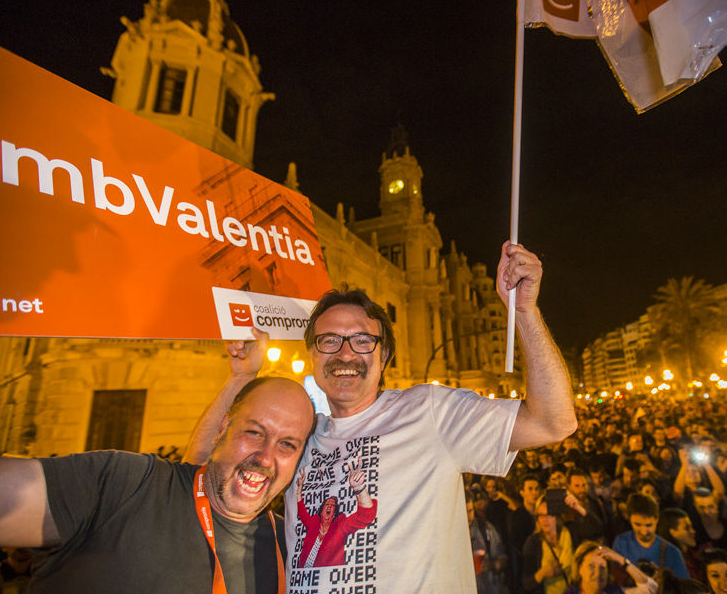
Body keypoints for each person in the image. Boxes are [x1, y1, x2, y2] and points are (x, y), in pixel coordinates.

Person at [187, 241, 578, 592]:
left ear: (383, 355)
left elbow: (553, 421)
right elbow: (202, 476)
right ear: (312, 356)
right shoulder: (298, 437)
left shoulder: (429, 411)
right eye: (329, 341)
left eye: (362, 340)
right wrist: (241, 378)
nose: (344, 354)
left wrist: (524, 312)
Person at [0, 376, 314, 593]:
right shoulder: (125, 483)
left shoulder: (294, 548)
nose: (266, 457)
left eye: (287, 444)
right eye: (255, 432)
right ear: (223, 427)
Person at [293, 464, 376, 568]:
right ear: (321, 510)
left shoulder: (340, 526)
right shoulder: (312, 524)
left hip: (327, 581)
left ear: (334, 513)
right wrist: (299, 488)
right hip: (303, 580)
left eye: (332, 506)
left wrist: (359, 488)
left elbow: (365, 516)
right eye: (327, 504)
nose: (329, 506)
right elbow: (301, 512)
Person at [612, 493, 689, 579]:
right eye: (637, 524)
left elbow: (683, 586)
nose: (644, 532)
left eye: (649, 525)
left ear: (657, 519)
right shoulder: (621, 543)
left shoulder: (672, 552)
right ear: (629, 519)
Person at [521, 494, 575, 594]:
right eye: (541, 515)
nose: (545, 519)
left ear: (557, 517)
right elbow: (526, 584)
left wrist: (577, 506)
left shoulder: (569, 534)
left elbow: (596, 528)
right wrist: (542, 573)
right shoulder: (533, 542)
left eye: (549, 515)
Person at [564, 541, 657, 594]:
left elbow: (650, 588)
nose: (598, 573)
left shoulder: (615, 592)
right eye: (591, 566)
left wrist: (622, 560)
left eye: (602, 568)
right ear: (579, 568)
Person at [468, 493, 509, 594]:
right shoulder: (449, 536)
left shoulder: (485, 528)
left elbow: (503, 559)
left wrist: (493, 564)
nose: (468, 516)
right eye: (463, 511)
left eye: (470, 510)